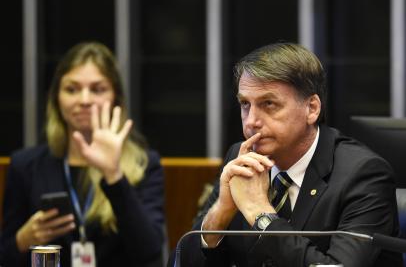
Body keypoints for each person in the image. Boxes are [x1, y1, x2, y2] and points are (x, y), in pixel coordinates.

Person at [175, 42, 403, 267]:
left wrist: (260, 213)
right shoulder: (241, 158)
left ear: (312, 108)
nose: (251, 121)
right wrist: (220, 214)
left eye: (269, 104)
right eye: (245, 104)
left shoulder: (363, 174)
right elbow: (179, 262)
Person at [1, 42, 165, 267]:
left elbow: (151, 253)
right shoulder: (25, 166)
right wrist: (23, 240)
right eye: (72, 89)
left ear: (115, 98)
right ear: (56, 99)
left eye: (97, 89)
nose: (84, 100)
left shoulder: (145, 164)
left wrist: (113, 175)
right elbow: (5, 255)